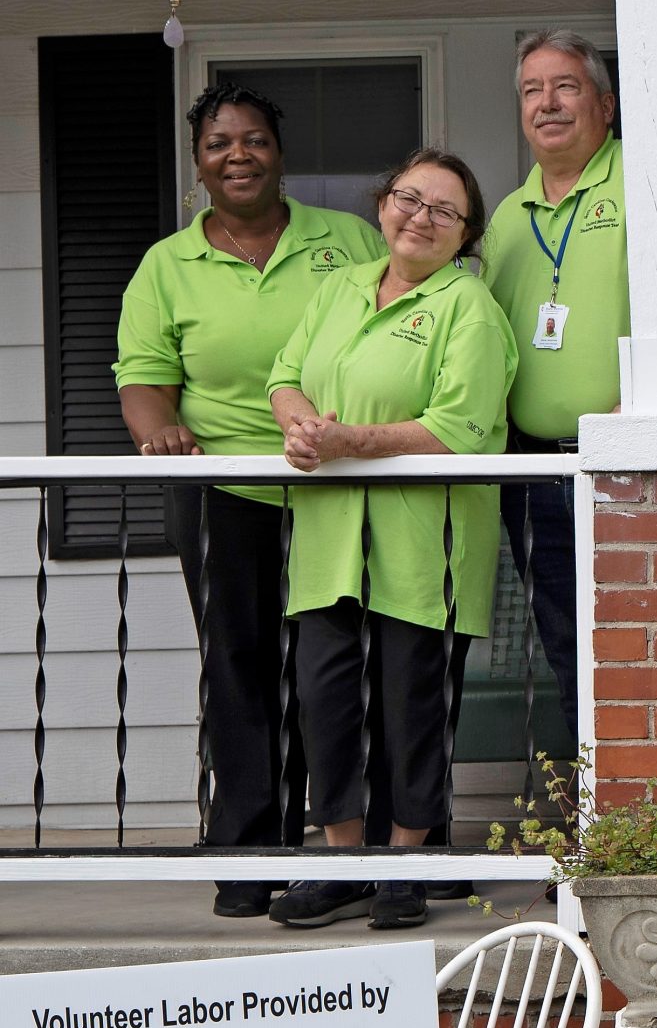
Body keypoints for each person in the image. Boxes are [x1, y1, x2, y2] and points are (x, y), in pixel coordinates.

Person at [114, 83, 385, 918]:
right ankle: (248, 848)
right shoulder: (168, 264)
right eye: (219, 143)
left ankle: (342, 848)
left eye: (255, 140)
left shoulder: (347, 241)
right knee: (240, 671)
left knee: (333, 672)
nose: (239, 155)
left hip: (332, 488)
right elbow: (145, 383)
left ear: (279, 151)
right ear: (198, 164)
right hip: (221, 493)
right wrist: (159, 434)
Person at [263, 151, 514, 933]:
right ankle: (346, 863)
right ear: (382, 206)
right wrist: (300, 423)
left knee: (413, 704)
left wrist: (349, 440)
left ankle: (405, 863)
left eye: (445, 210)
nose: (422, 217)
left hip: (423, 536)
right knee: (325, 699)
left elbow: (459, 427)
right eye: (410, 198)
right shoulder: (339, 287)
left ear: (466, 234)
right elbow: (283, 373)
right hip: (331, 535)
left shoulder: (468, 306)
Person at [482, 29, 657, 751]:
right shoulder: (505, 217)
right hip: (535, 472)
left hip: (630, 464)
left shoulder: (649, 187)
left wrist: (643, 403)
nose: (547, 103)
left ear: (606, 104)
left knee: (649, 640)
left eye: (566, 86)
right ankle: (596, 813)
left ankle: (656, 802)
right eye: (532, 90)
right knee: (567, 646)